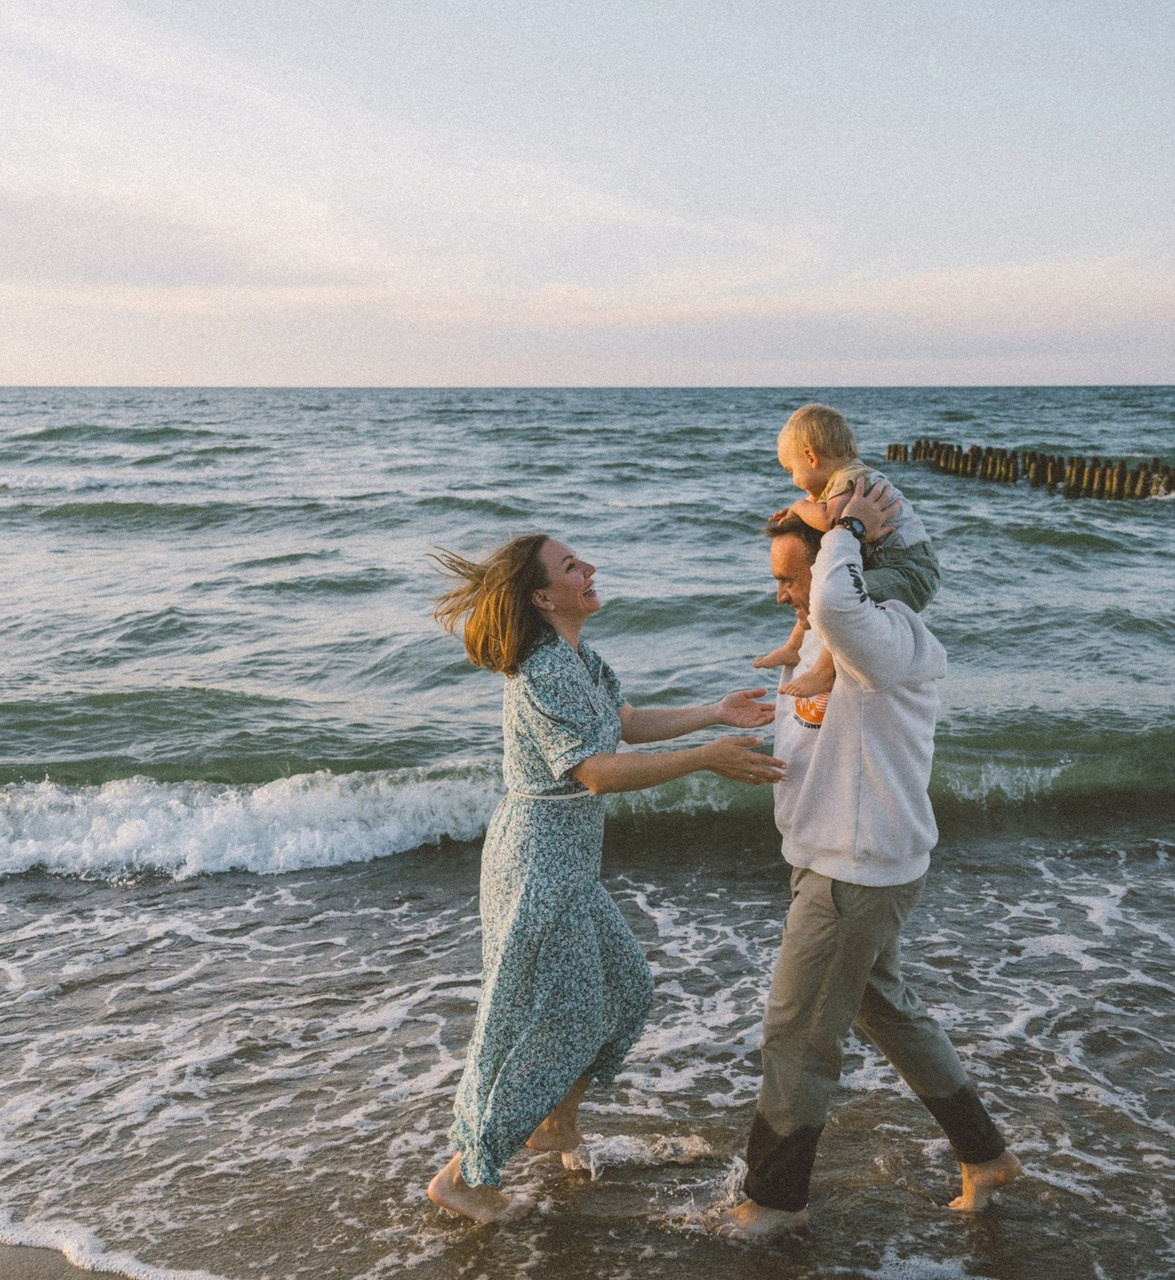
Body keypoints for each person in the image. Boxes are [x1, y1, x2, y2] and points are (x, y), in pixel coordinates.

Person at [426, 532, 785, 1224]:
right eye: (571, 566)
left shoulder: (580, 658)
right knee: (550, 1016)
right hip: (537, 863)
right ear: (543, 597)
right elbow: (596, 773)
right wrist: (706, 757)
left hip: (571, 862)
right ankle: (464, 1177)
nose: (589, 569)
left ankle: (555, 1122)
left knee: (624, 990)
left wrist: (713, 712)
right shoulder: (544, 669)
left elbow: (626, 724)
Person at [717, 486, 1021, 1241]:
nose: (783, 595)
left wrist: (847, 527)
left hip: (854, 869)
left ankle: (775, 1200)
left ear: (841, 569)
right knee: (883, 1009)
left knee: (796, 1033)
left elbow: (838, 600)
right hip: (835, 858)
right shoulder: (830, 638)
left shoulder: (880, 637)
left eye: (791, 578)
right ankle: (986, 1155)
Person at [754, 403, 940, 700]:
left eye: (791, 471)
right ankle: (794, 647)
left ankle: (824, 671)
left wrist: (800, 507)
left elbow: (832, 522)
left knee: (841, 596)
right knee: (819, 588)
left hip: (909, 572)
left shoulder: (850, 479)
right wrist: (798, 513)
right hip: (888, 563)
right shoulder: (842, 482)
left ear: (811, 457)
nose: (793, 481)